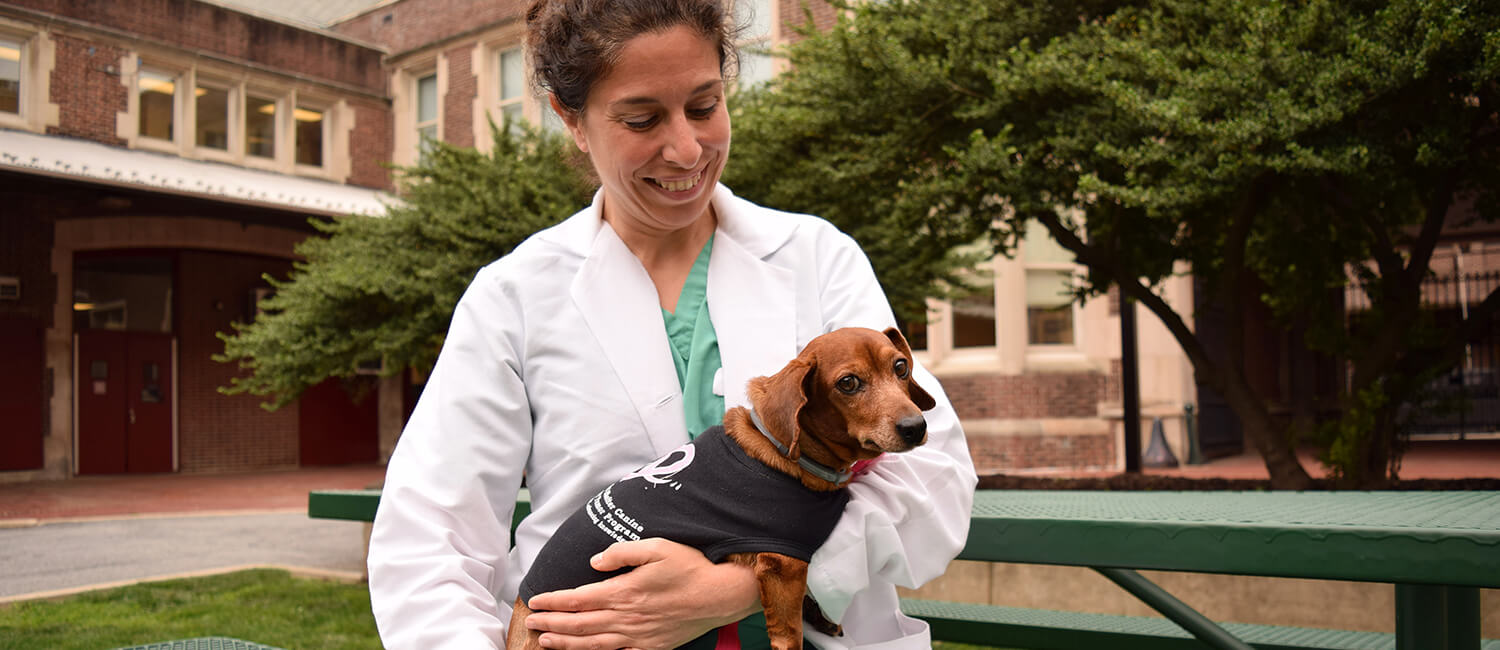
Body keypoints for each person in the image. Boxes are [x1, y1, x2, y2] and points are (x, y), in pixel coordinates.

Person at [365, 0, 977, 648]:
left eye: (705, 105)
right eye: (642, 117)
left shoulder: (816, 259)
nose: (686, 148)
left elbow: (931, 472)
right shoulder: (512, 299)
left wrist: (739, 588)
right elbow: (429, 543)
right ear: (570, 119)